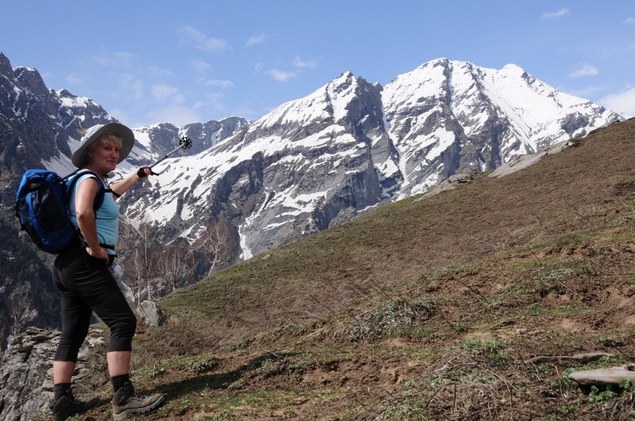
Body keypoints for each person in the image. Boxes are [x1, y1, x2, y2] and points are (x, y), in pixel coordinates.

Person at [50, 122, 164, 421]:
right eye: (107, 148)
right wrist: (96, 247)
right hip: (84, 261)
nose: (114, 154)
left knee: (73, 333)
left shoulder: (91, 180)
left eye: (116, 149)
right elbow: (84, 212)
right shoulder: (88, 179)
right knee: (123, 321)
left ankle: (61, 401)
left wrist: (137, 177)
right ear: (91, 151)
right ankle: (123, 397)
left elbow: (109, 194)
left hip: (66, 266)